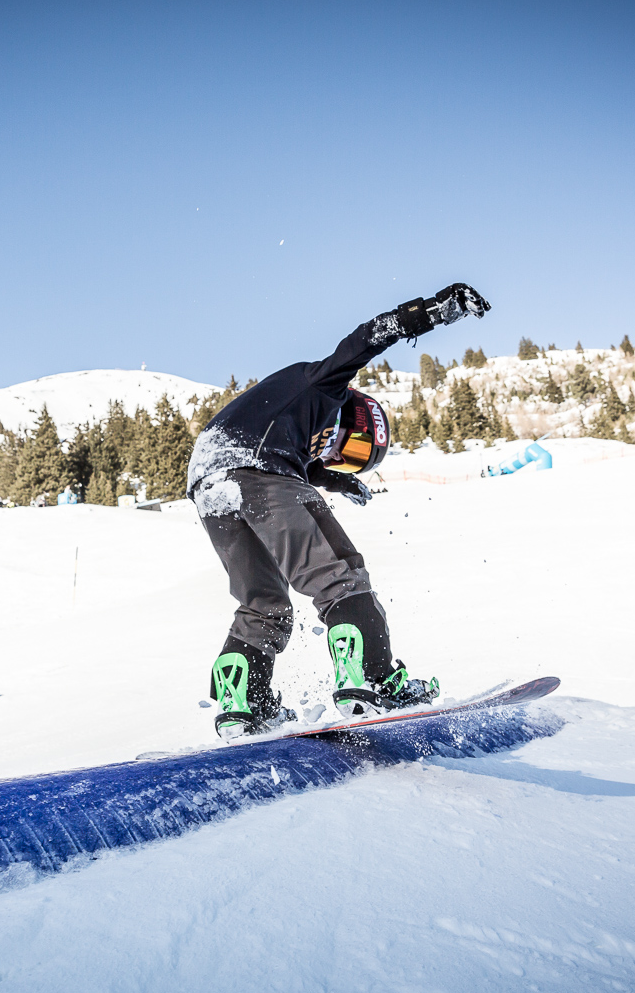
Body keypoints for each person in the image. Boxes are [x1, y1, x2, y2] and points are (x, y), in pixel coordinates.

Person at [187, 283, 489, 739]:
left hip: (210, 487)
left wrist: (337, 480)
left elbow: (299, 459)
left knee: (263, 604)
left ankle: (245, 703)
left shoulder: (281, 412)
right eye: (352, 449)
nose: (336, 457)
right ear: (354, 415)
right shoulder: (323, 384)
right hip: (259, 472)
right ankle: (373, 678)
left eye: (350, 460)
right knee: (340, 579)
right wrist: (430, 312)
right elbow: (365, 339)